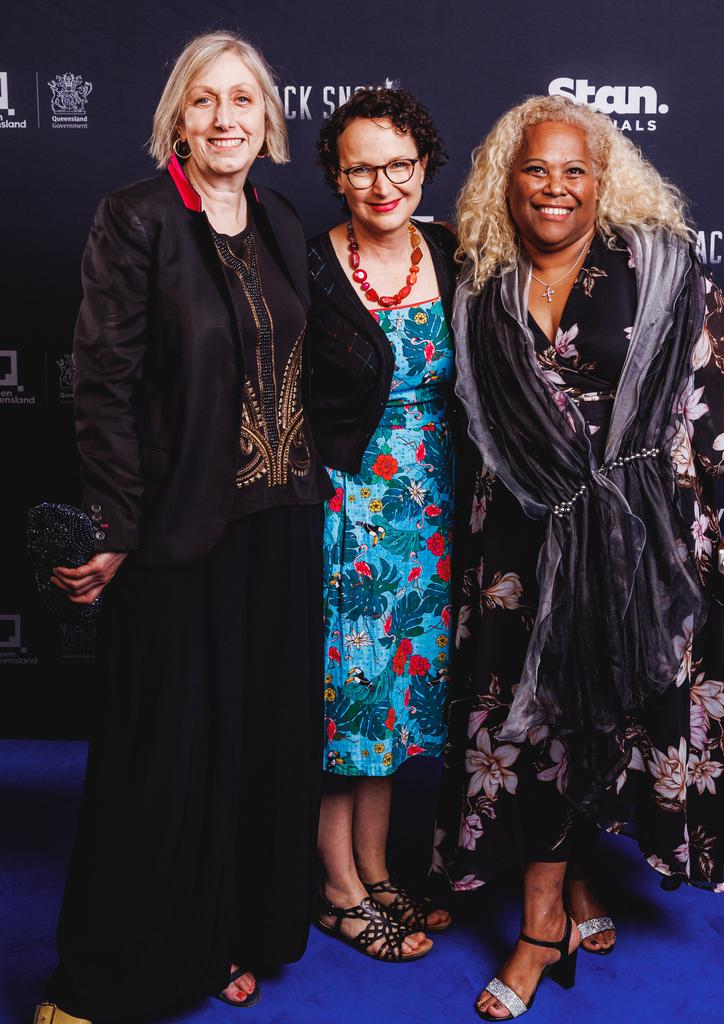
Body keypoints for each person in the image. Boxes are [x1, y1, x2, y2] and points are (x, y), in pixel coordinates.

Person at [430, 95, 724, 1020]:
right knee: (531, 724)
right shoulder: (481, 284)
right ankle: (555, 905)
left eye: (574, 170)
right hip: (522, 547)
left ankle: (550, 912)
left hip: (642, 542)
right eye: (536, 169)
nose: (555, 187)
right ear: (509, 177)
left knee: (615, 714)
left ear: (601, 179)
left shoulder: (657, 268)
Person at [36, 31, 332, 1024]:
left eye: (242, 100)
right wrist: (115, 522)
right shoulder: (135, 219)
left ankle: (228, 937)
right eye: (204, 101)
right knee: (163, 756)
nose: (224, 119)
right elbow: (103, 387)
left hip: (280, 523)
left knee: (257, 744)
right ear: (177, 116)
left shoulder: (286, 221)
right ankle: (107, 976)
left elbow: (317, 361)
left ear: (267, 119)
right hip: (179, 527)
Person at [307, 87, 457, 961]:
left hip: (432, 514)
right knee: (352, 706)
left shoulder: (449, 251)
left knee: (397, 703)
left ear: (425, 165)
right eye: (360, 167)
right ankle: (336, 886)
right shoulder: (310, 263)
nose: (381, 183)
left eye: (397, 164)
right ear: (336, 174)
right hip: (348, 512)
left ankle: (378, 869)